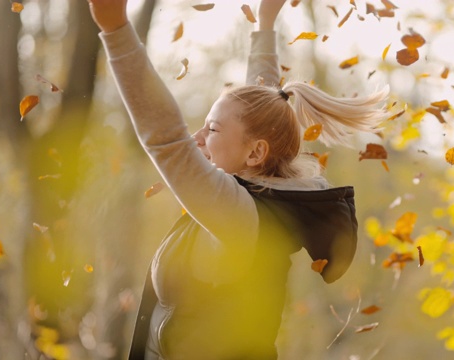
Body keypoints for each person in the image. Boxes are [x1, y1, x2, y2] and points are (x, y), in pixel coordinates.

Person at [86, 0, 389, 358]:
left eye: (212, 129)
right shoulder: (260, 192)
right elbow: (260, 107)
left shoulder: (242, 219)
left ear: (256, 154)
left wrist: (116, 30)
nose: (198, 138)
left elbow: (166, 139)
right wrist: (265, 22)